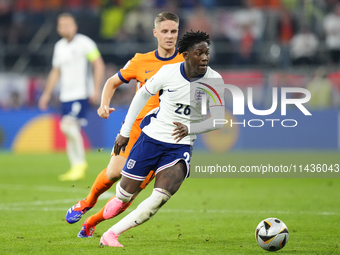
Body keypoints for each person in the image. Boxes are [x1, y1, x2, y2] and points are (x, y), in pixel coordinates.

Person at [99, 30, 225, 247]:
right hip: (151, 138)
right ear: (185, 54)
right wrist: (125, 132)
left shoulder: (214, 80)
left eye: (207, 53)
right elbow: (141, 96)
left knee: (160, 197)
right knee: (125, 195)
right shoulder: (168, 73)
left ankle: (111, 234)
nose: (205, 57)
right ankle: (112, 206)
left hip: (180, 147)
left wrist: (191, 128)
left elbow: (218, 119)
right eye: (199, 53)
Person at [65, 12, 184, 238]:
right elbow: (112, 82)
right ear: (155, 33)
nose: (170, 36)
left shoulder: (186, 63)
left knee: (127, 195)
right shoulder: (141, 60)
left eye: (174, 31)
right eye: (165, 31)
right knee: (113, 172)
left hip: (163, 136)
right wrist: (104, 105)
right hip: (136, 128)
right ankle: (86, 203)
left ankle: (91, 223)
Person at [38, 13, 105, 181]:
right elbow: (56, 71)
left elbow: (98, 64)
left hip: (81, 93)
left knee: (67, 126)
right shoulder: (59, 46)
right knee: (69, 130)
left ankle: (80, 163)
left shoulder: (85, 43)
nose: (65, 27)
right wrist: (46, 93)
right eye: (62, 24)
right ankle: (75, 166)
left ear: (75, 26)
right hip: (66, 96)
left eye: (68, 24)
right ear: (58, 28)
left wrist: (97, 89)